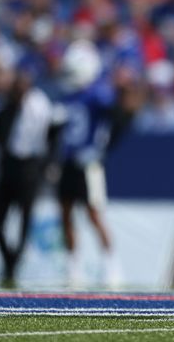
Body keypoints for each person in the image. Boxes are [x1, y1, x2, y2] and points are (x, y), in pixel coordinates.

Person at [55, 39, 134, 288]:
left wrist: (101, 151)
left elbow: (119, 118)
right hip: (68, 161)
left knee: (93, 213)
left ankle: (112, 265)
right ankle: (73, 267)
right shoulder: (69, 95)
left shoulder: (98, 94)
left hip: (88, 164)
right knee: (65, 214)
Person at [0, 60, 56, 287]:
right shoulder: (9, 104)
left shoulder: (39, 104)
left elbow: (50, 134)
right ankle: (9, 259)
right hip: (10, 164)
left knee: (25, 217)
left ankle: (15, 263)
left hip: (29, 166)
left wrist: (48, 163)